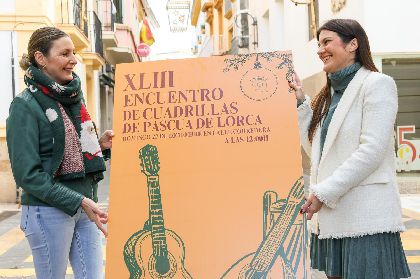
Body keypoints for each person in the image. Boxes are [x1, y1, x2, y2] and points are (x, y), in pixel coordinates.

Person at [288, 19, 411, 279]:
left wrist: (322, 193)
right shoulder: (329, 95)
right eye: (318, 44)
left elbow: (372, 152)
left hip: (366, 219)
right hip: (334, 220)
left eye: (327, 42)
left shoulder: (378, 84)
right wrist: (300, 101)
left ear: (353, 43)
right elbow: (318, 154)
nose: (320, 49)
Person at [6, 27, 114, 279]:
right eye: (64, 53)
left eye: (73, 53)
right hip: (48, 211)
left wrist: (100, 146)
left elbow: (74, 150)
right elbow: (27, 175)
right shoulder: (24, 105)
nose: (73, 60)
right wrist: (77, 200)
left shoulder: (74, 98)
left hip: (85, 208)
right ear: (41, 58)